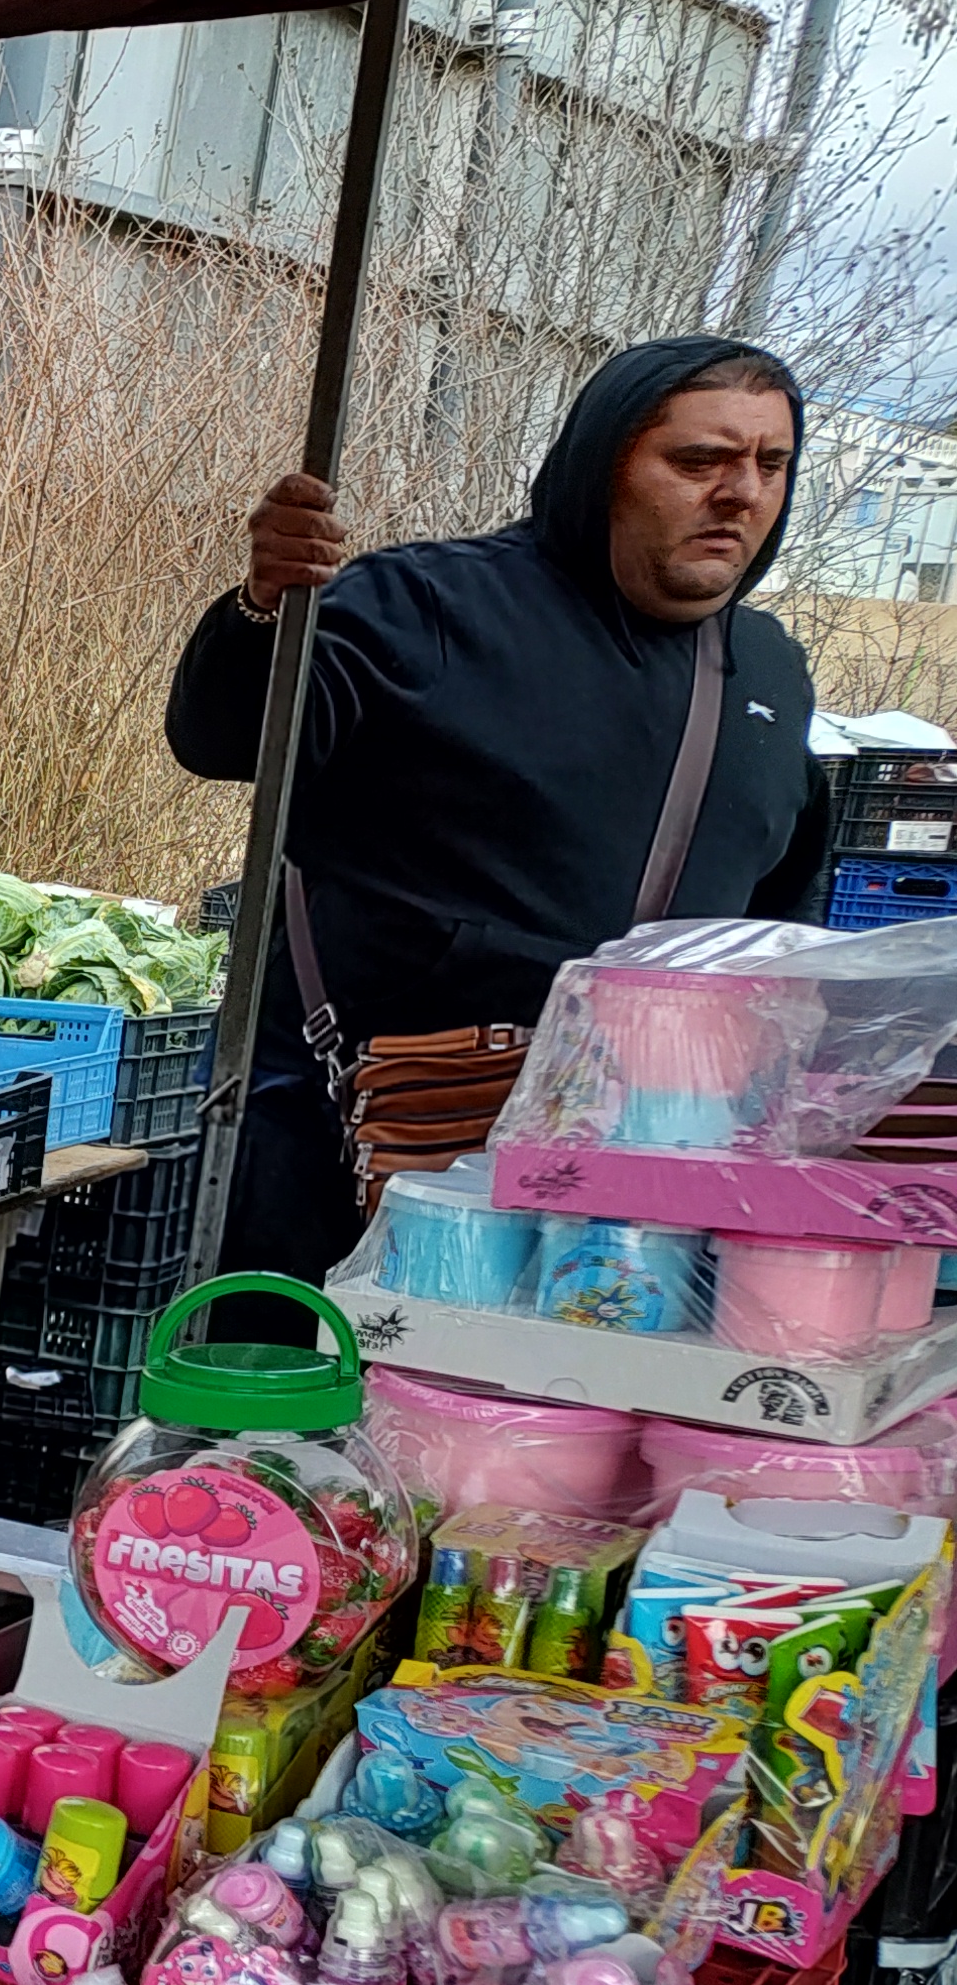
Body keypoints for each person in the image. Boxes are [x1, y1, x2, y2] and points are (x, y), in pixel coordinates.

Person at [169, 336, 824, 1284]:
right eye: (698, 461)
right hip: (361, 1171)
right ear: (603, 468)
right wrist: (266, 608)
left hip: (632, 1210)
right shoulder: (426, 604)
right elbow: (225, 740)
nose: (741, 493)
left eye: (771, 464)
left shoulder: (766, 668)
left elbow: (777, 918)